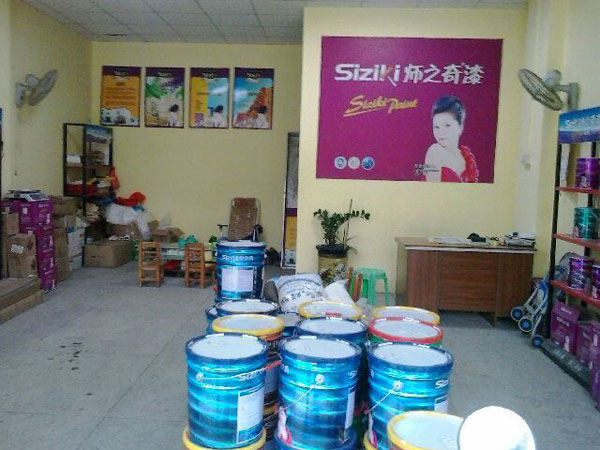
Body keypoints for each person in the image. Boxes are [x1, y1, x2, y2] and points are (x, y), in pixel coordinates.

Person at [423, 95, 479, 182]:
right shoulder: (434, 151)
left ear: (460, 127)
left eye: (447, 125)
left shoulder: (465, 156)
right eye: (436, 127)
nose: (441, 132)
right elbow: (431, 187)